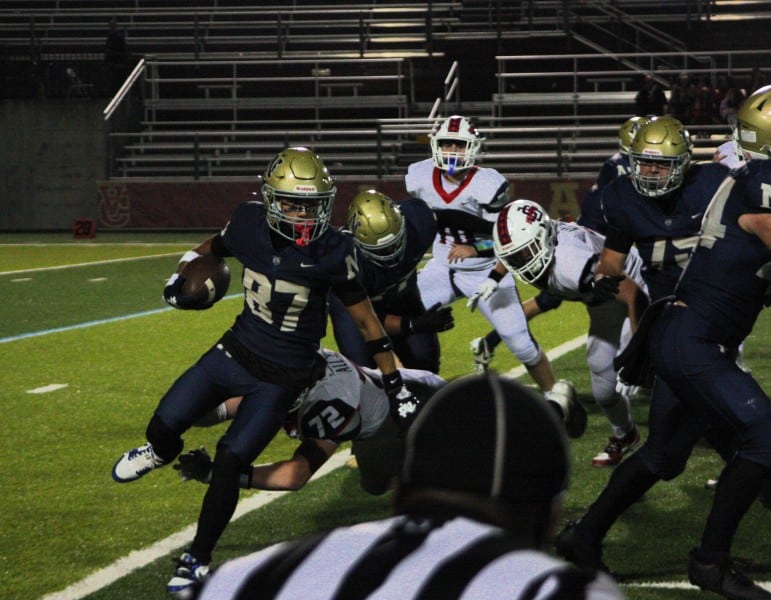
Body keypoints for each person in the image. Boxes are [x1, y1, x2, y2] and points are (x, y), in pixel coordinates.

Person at [111, 147, 421, 597]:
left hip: (284, 375)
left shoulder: (334, 251)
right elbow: (210, 248)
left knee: (230, 459)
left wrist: (395, 382)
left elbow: (368, 323)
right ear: (271, 199)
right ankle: (157, 452)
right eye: (293, 204)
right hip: (235, 350)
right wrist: (181, 274)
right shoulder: (247, 223)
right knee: (164, 423)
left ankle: (197, 558)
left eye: (313, 206)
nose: (303, 216)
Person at [556, 84, 771, 599]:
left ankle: (584, 535)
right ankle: (710, 562)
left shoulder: (728, 179)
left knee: (665, 457)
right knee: (762, 441)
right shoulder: (767, 181)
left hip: (688, 332)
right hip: (692, 337)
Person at [191, 373, 626, 600]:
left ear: (403, 490)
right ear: (549, 517)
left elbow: (295, 474)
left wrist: (221, 470)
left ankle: (552, 404)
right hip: (398, 410)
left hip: (412, 403)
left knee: (372, 478)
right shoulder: (565, 591)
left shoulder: (246, 577)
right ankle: (551, 406)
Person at [405, 115, 586, 437]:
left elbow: (505, 236)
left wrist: (476, 251)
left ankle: (557, 396)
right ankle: (407, 396)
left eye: (458, 144)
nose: (451, 150)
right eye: (446, 143)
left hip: (485, 270)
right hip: (441, 266)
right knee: (401, 318)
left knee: (521, 344)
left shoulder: (488, 183)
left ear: (472, 148)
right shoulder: (418, 176)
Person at [478, 199, 649, 467]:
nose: (522, 262)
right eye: (516, 257)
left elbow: (632, 294)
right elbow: (508, 250)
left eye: (526, 253)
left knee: (653, 372)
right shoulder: (537, 240)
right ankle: (626, 436)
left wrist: (640, 348)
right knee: (604, 387)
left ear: (544, 237)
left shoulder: (569, 265)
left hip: (637, 288)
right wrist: (494, 277)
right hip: (600, 299)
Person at [176, 347, 446, 496]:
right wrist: (180, 415)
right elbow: (222, 408)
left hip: (416, 408)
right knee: (373, 486)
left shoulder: (332, 404)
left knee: (400, 487)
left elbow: (293, 476)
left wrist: (215, 474)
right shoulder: (298, 366)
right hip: (382, 398)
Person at [329, 189, 452, 374]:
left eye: (395, 243)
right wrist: (417, 324)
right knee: (365, 374)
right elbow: (366, 320)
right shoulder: (345, 260)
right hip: (355, 315)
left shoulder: (417, 222)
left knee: (425, 362)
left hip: (403, 298)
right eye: (382, 250)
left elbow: (447, 218)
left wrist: (489, 231)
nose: (391, 253)